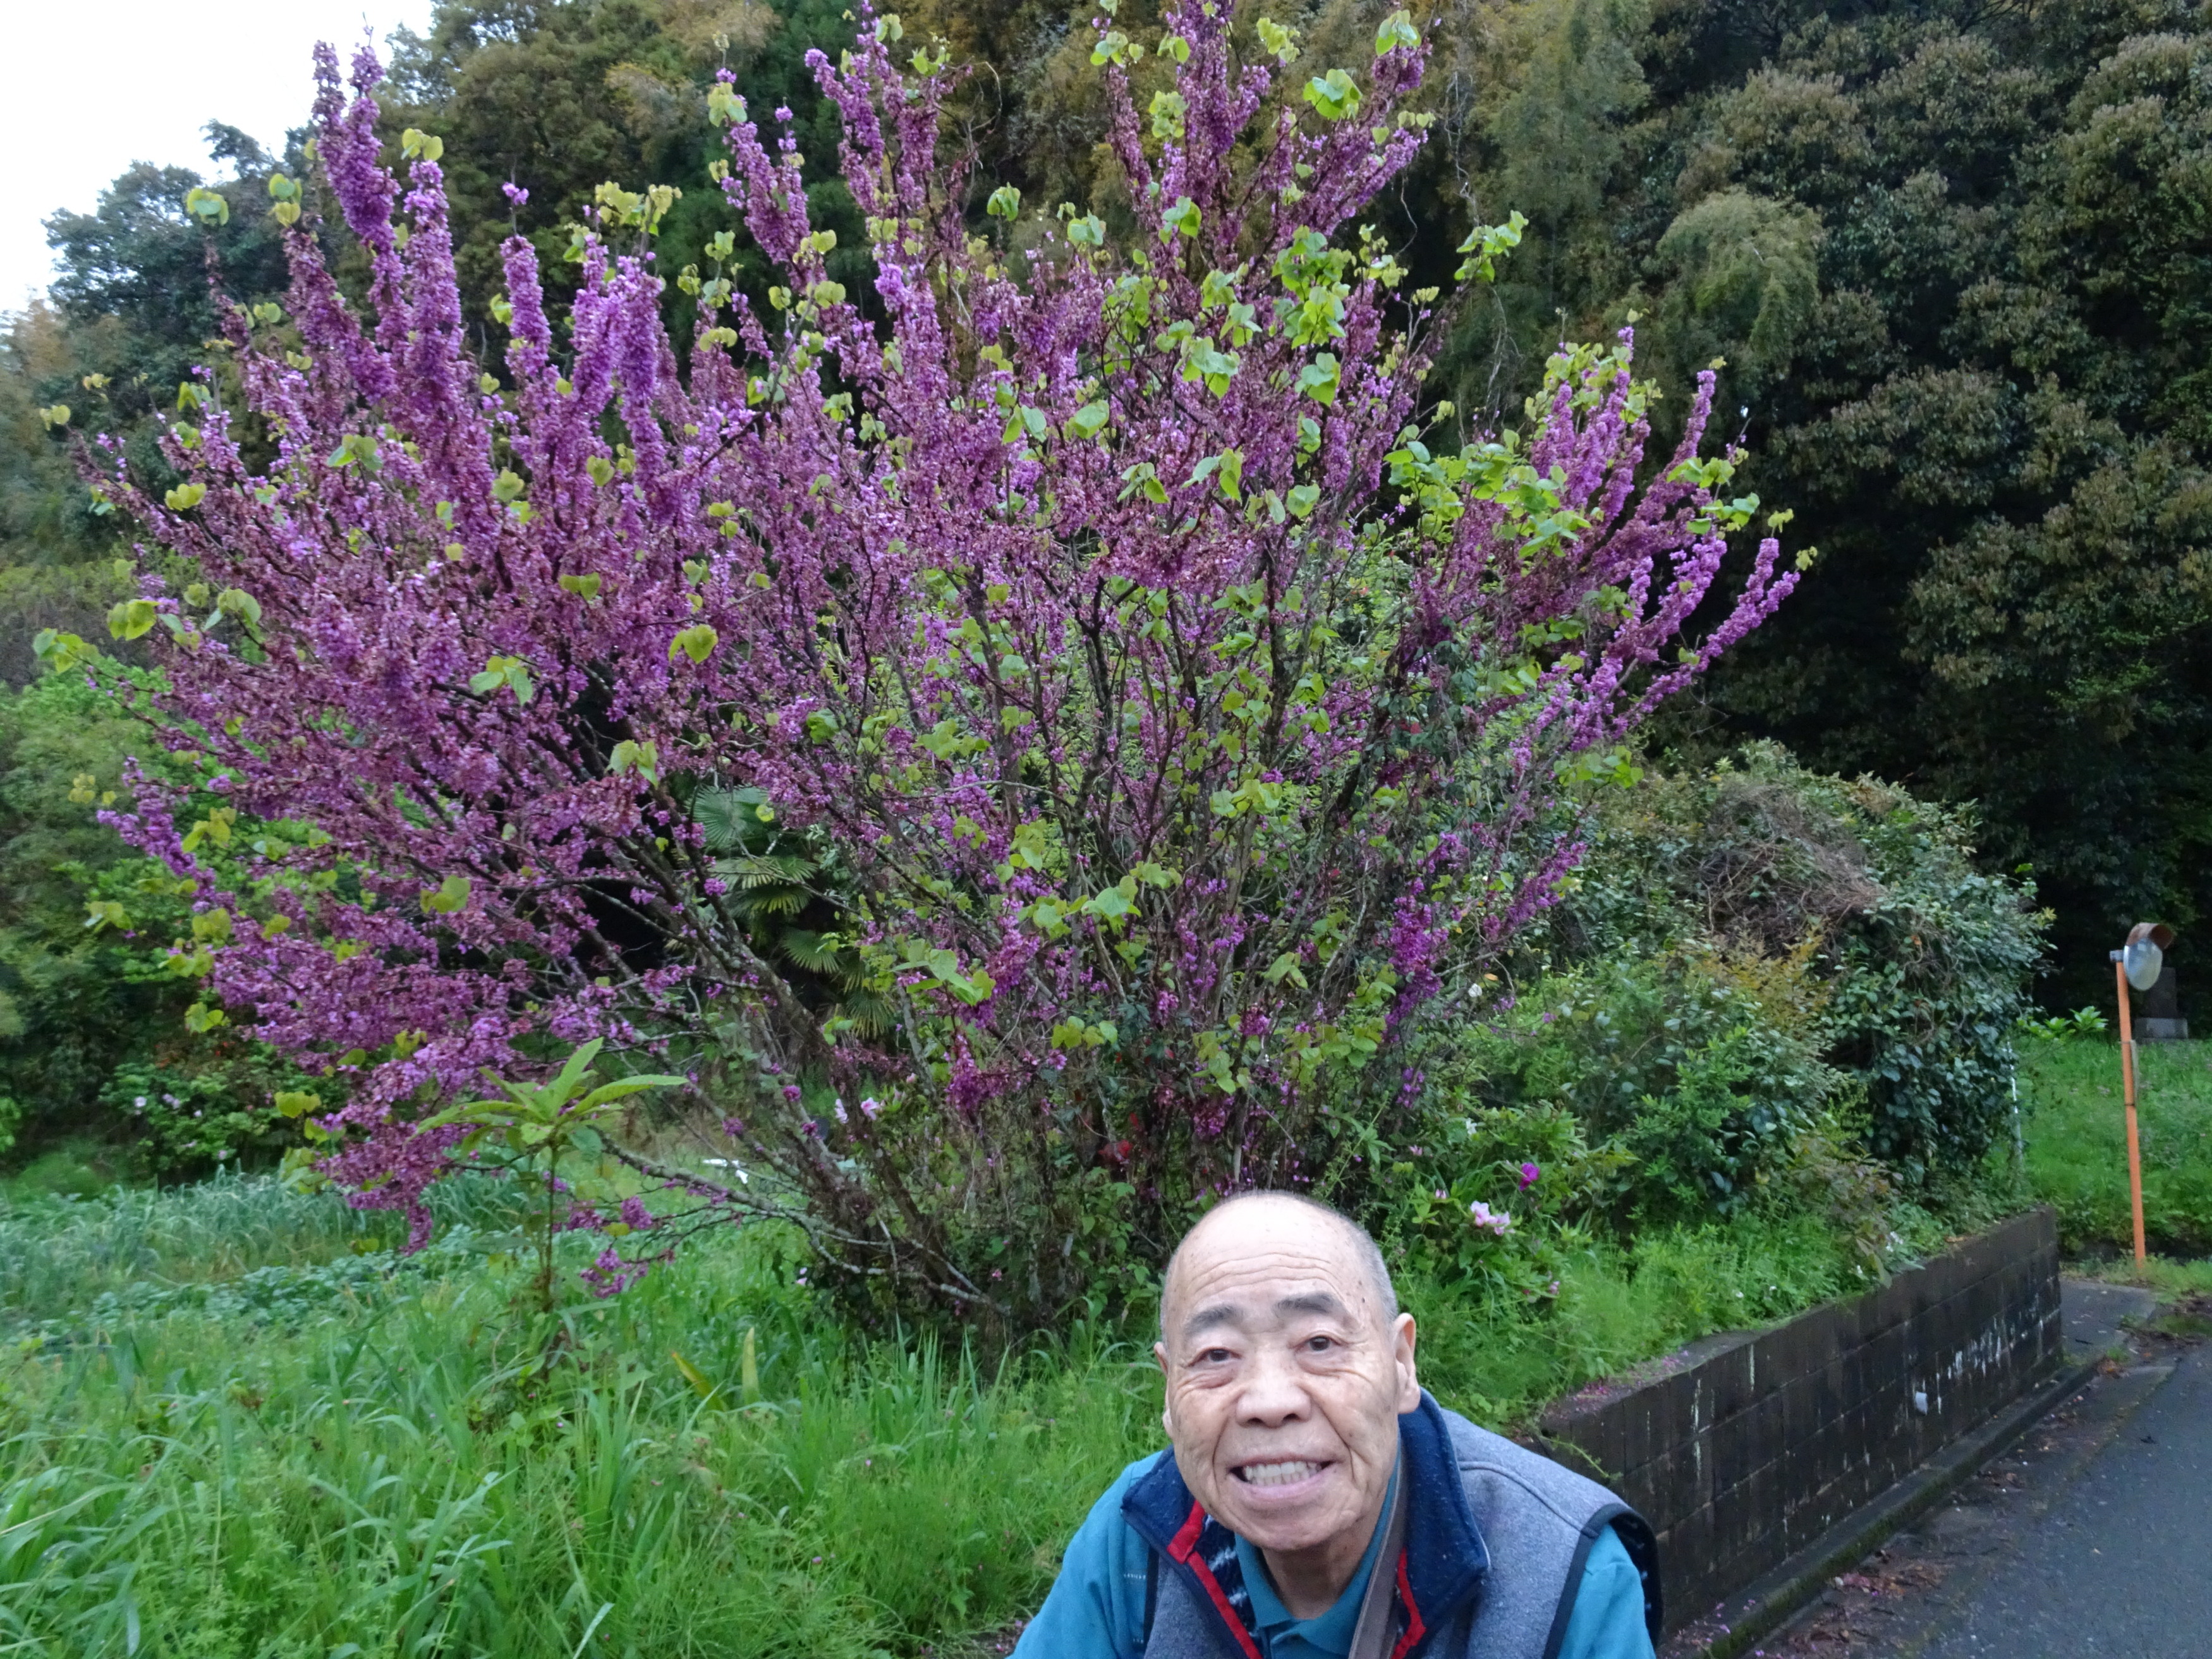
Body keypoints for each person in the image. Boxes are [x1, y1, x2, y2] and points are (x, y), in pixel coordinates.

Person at [1014, 1191, 1659, 1658]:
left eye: (1318, 1343)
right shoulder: (1138, 1536)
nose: (1268, 1401)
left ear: (1401, 1363)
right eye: (1215, 1356)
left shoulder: (1558, 1571)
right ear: (1168, 1389)